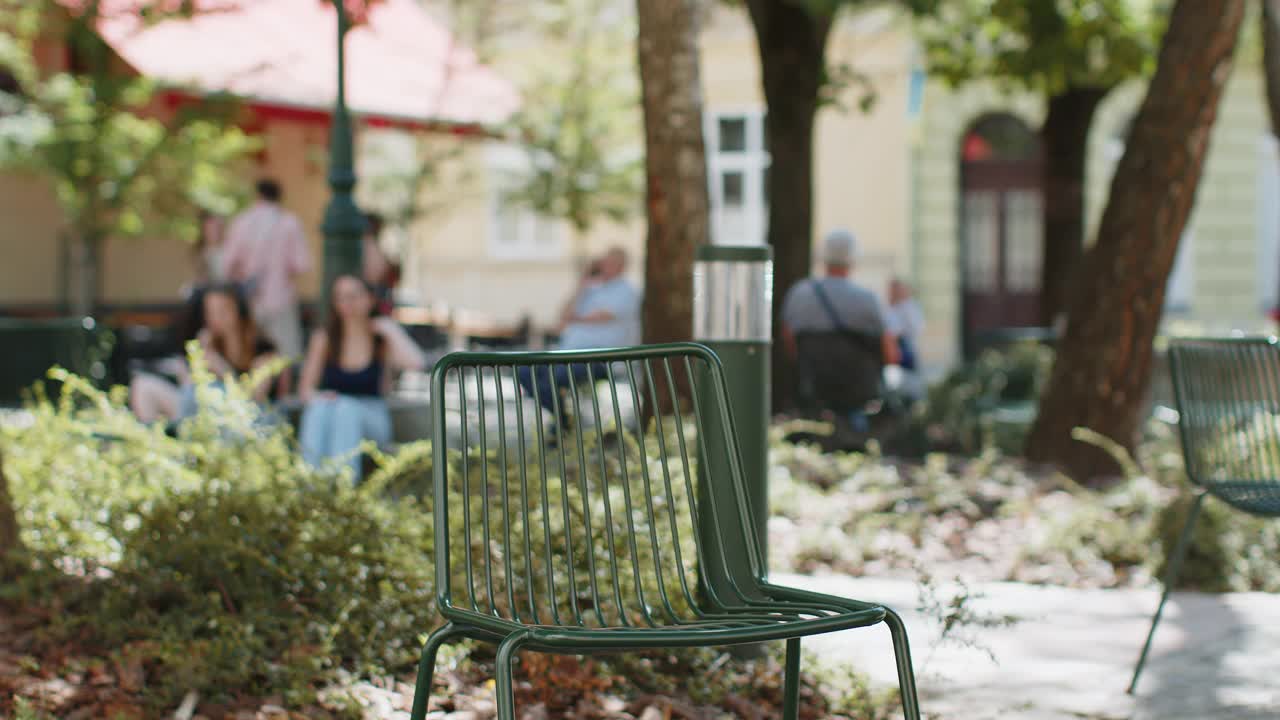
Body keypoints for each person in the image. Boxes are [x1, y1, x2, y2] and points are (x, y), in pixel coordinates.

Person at [297, 274, 426, 481]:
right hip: (332, 413)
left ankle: (343, 487)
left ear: (369, 299)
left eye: (353, 296)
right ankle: (309, 484)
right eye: (340, 297)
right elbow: (305, 391)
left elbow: (416, 363)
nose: (347, 303)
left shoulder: (380, 339)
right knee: (319, 409)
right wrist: (323, 398)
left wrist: (390, 330)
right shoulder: (325, 338)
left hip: (372, 417)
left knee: (346, 409)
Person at [781, 230, 899, 431]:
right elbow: (890, 355)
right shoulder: (868, 300)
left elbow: (790, 346)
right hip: (861, 390)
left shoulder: (799, 294)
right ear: (853, 259)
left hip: (814, 385)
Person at [516, 247, 640, 427]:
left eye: (611, 263)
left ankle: (562, 426)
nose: (605, 266)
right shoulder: (590, 289)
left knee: (556, 375)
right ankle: (563, 420)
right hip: (568, 353)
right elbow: (564, 314)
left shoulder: (626, 291)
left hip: (599, 358)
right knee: (526, 372)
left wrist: (574, 318)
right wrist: (581, 284)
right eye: (604, 262)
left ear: (622, 266)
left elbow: (601, 316)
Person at [130, 284, 284, 423]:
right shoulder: (206, 345)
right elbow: (188, 393)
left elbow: (253, 400)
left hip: (246, 422)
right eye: (211, 312)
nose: (216, 318)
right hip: (203, 416)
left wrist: (222, 369)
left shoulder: (263, 351)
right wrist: (197, 363)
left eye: (223, 310)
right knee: (143, 386)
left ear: (239, 310)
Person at [223, 179, 312, 358]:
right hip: (281, 299)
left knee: (249, 352)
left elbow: (228, 264)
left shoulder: (242, 222)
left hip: (249, 300)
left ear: (258, 195)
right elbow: (301, 264)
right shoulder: (289, 223)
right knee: (286, 354)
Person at [885, 277, 925, 372]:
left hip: (905, 347)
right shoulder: (887, 307)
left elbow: (917, 327)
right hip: (890, 347)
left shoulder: (910, 307)